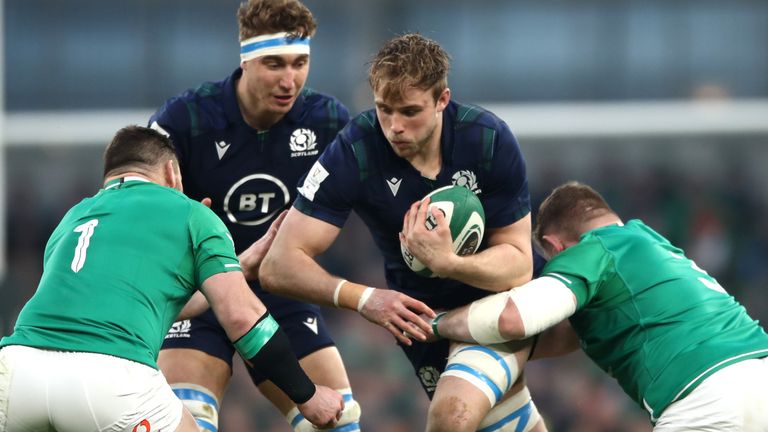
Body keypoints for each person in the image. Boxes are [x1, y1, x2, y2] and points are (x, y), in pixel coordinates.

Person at [260, 33, 547, 431]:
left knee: (451, 418)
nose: (394, 127)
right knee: (498, 422)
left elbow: (518, 264)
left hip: (500, 301)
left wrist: (446, 262)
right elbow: (278, 265)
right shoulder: (356, 149)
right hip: (421, 320)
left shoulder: (487, 140)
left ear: (442, 100)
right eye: (384, 110)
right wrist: (366, 299)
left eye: (410, 111)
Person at [0, 126, 344, 432]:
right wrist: (307, 395)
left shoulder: (73, 217)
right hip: (109, 380)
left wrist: (237, 265)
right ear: (171, 172)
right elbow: (242, 317)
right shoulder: (192, 212)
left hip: (17, 373)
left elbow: (146, 304)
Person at [148, 1, 359, 431]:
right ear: (245, 59)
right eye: (274, 64)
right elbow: (141, 211)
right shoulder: (184, 120)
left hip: (279, 288)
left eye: (300, 63)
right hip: (198, 292)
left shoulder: (329, 121)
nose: (289, 80)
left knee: (341, 422)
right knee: (186, 422)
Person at [429, 181, 768, 431]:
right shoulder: (655, 248)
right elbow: (559, 336)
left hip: (706, 403)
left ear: (554, 245)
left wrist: (437, 324)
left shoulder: (596, 249)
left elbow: (512, 320)